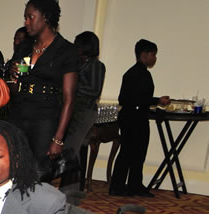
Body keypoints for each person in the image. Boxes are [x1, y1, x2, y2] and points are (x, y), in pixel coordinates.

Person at [7, 0, 78, 177]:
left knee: (39, 175)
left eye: (30, 17)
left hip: (45, 120)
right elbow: (13, 90)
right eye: (25, 18)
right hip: (19, 116)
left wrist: (58, 138)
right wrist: (12, 76)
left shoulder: (66, 50)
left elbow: (69, 98)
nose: (26, 22)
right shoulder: (24, 47)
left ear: (45, 17)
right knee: (14, 171)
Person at [110, 39, 170, 198]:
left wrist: (154, 101)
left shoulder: (137, 73)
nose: (155, 58)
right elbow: (128, 98)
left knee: (137, 153)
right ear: (143, 55)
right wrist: (157, 101)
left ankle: (133, 185)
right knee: (129, 153)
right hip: (133, 118)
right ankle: (118, 186)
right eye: (153, 54)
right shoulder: (137, 74)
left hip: (136, 117)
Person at [62, 31, 105, 189]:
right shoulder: (75, 63)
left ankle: (70, 189)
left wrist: (71, 87)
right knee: (70, 149)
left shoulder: (96, 66)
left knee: (71, 149)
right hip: (73, 109)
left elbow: (94, 91)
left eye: (77, 44)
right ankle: (70, 186)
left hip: (85, 112)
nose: (75, 47)